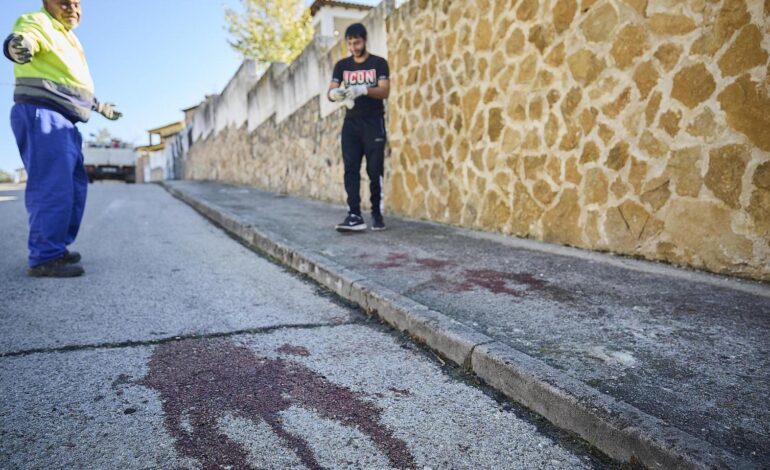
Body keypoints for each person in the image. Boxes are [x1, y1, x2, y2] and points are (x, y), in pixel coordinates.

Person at [4, 0, 122, 278]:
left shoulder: (68, 38)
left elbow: (69, 81)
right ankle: (44, 257)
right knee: (52, 186)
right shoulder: (39, 22)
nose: (72, 8)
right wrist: (18, 45)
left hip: (66, 119)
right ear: (47, 2)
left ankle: (56, 246)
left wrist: (99, 106)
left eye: (77, 3)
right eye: (64, 2)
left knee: (74, 188)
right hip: (42, 113)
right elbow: (24, 38)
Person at [327, 23, 390, 232]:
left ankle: (376, 214)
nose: (354, 47)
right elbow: (331, 91)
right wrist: (336, 95)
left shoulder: (379, 63)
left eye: (357, 42)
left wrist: (363, 89)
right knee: (351, 169)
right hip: (351, 124)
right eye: (350, 43)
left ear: (365, 40)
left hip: (374, 123)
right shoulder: (342, 66)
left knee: (374, 170)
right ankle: (354, 215)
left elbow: (384, 91)